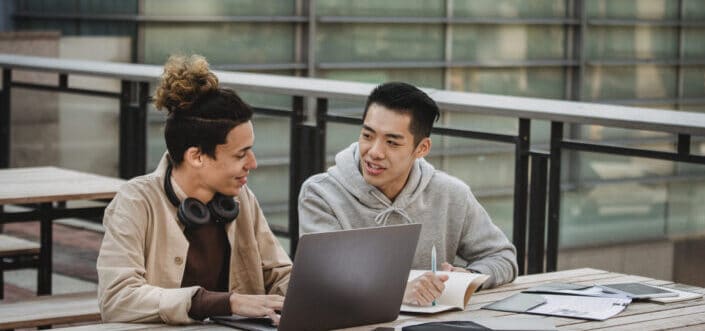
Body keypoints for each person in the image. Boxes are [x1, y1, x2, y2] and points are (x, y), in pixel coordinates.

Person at [97, 55, 291, 324]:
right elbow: (117, 299)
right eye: (240, 155)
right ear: (196, 156)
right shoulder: (135, 201)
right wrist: (225, 302)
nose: (253, 163)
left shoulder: (241, 197)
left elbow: (279, 274)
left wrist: (305, 299)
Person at [298, 82, 517, 306]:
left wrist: (468, 276)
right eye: (367, 135)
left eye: (392, 142)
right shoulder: (321, 194)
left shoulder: (451, 194)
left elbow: (503, 257)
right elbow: (323, 280)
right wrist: (399, 292)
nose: (374, 152)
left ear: (422, 148)